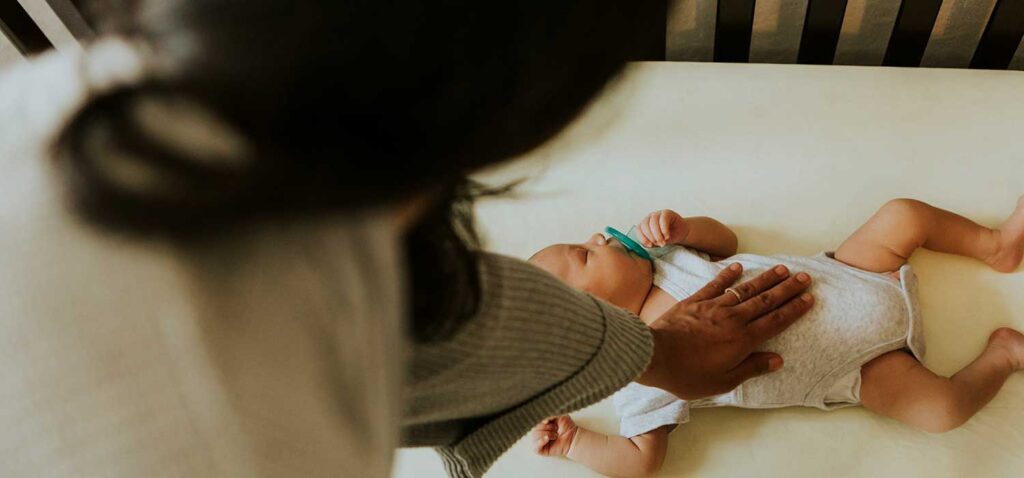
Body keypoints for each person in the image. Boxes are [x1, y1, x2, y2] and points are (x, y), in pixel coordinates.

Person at [0, 1, 814, 477]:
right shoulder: (254, 435)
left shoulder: (62, 100)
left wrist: (664, 299)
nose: (590, 246)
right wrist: (593, 426)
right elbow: (625, 447)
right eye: (576, 259)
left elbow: (479, 314)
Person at [528, 199, 1024, 477]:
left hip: (850, 272)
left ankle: (996, 246)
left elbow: (727, 244)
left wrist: (685, 229)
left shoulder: (664, 258)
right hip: (860, 368)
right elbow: (642, 462)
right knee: (941, 410)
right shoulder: (639, 372)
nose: (598, 238)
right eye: (585, 254)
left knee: (903, 215)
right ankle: (1002, 355)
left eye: (589, 239)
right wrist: (575, 441)